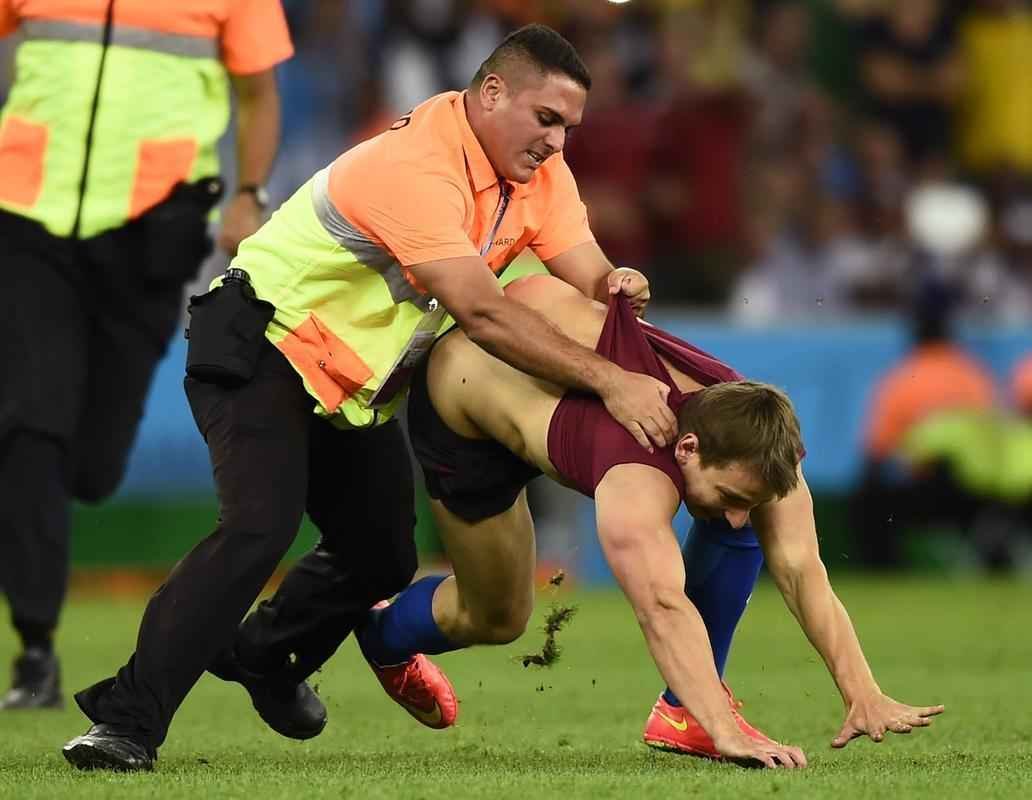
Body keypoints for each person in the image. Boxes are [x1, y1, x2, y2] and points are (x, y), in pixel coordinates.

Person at [61, 24, 678, 771]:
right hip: (264, 344)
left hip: (351, 387)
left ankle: (262, 656)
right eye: (546, 119)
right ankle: (124, 723)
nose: (558, 141)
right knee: (259, 527)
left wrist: (617, 285)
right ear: (491, 93)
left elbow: (588, 270)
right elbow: (481, 312)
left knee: (383, 555)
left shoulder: (539, 177)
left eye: (570, 128)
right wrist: (612, 380)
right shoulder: (417, 163)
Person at [353, 273, 945, 767]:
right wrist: (726, 729)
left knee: (738, 529)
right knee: (496, 615)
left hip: (540, 339)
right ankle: (383, 635)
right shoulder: (637, 478)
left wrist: (861, 691)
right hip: (465, 408)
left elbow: (801, 568)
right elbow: (662, 605)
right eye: (732, 494)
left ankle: (683, 709)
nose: (742, 518)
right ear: (685, 448)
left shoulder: (753, 437)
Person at [0, 0, 292, 711]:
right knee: (30, 424)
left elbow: (258, 95)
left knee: (94, 468)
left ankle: (44, 498)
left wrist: (248, 195)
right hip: (27, 216)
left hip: (153, 228)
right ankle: (35, 647)